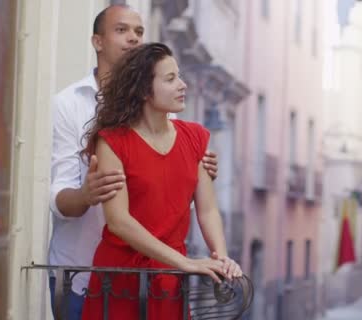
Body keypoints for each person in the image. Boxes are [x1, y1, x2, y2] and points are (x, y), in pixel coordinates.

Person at [48, 5, 222, 319]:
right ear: (97, 42)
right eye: (121, 30)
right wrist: (86, 196)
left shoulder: (168, 116)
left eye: (139, 32)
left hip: (161, 274)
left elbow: (174, 200)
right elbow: (59, 194)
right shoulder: (70, 105)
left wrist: (199, 175)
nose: (133, 38)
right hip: (81, 272)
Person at [78, 42, 241, 319]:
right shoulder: (113, 142)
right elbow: (118, 221)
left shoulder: (195, 137)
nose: (182, 84)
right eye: (170, 79)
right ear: (143, 89)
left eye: (179, 76)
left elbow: (208, 209)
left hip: (169, 280)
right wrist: (184, 263)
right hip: (120, 279)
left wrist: (221, 257)